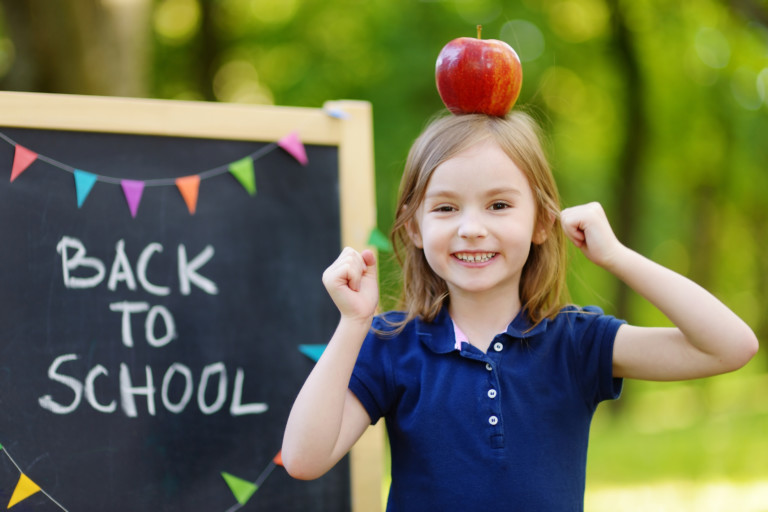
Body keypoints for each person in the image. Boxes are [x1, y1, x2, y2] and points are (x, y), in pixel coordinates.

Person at [281, 111, 758, 511]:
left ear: (542, 222)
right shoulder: (393, 344)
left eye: (499, 205)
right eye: (445, 208)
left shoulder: (576, 343)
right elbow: (304, 458)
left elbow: (731, 346)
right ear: (414, 229)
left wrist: (616, 256)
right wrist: (353, 323)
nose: (471, 228)